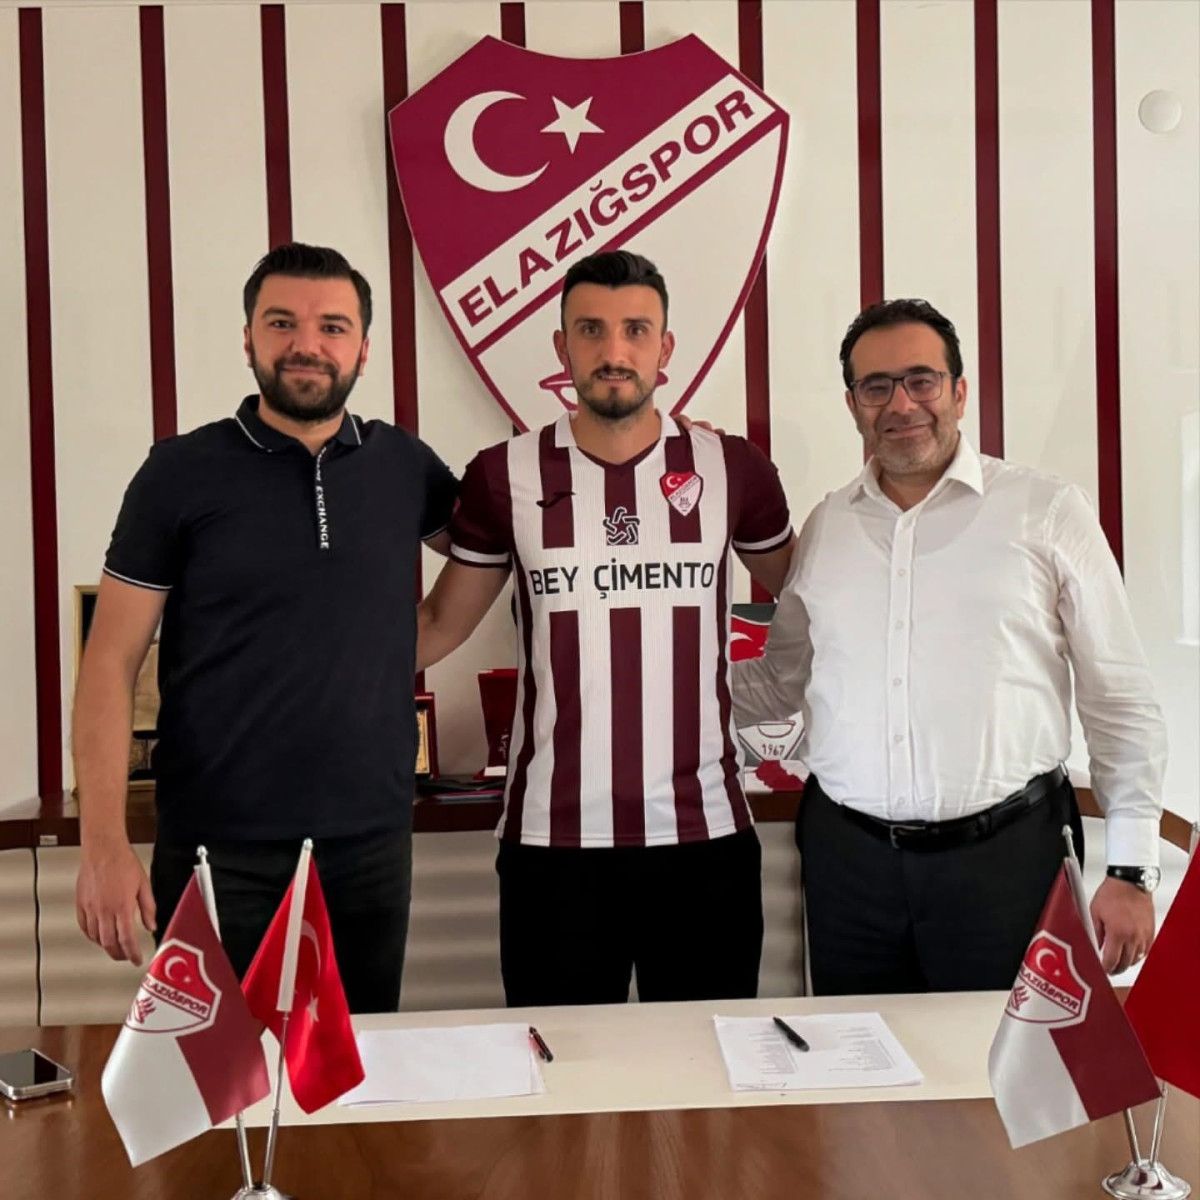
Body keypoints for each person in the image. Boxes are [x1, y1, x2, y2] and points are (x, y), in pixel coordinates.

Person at [734, 298, 1167, 995]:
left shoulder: (1046, 511)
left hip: (1010, 865)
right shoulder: (826, 527)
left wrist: (1131, 869)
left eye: (921, 380)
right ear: (853, 405)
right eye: (877, 386)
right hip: (848, 869)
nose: (901, 404)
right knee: (861, 1059)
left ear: (959, 392)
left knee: (1002, 1063)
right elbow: (781, 682)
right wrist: (648, 681)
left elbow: (1119, 699)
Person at [73, 242, 457, 1012]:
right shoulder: (179, 472)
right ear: (248, 338)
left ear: (364, 348)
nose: (306, 344)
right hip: (216, 851)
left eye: (332, 326)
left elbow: (511, 541)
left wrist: (672, 448)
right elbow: (109, 661)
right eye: (282, 323)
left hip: (370, 844)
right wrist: (104, 846)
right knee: (213, 1077)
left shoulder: (404, 467)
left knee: (354, 1072)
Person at [416, 250, 795, 1006]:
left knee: (704, 1070)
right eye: (591, 330)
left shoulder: (733, 468)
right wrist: (297, 678)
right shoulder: (503, 474)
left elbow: (816, 600)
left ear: (665, 347)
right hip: (552, 846)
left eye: (635, 330)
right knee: (563, 1073)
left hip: (704, 840)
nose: (613, 351)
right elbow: (437, 625)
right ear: (562, 348)